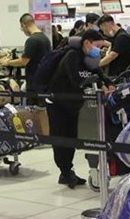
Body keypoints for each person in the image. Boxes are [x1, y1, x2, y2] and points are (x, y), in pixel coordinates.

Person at [47, 29, 112, 188]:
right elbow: (76, 79)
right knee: (60, 138)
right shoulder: (72, 56)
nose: (100, 51)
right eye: (98, 46)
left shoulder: (89, 58)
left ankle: (68, 172)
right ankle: (65, 172)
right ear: (87, 43)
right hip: (58, 103)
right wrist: (93, 81)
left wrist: (108, 83)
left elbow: (98, 72)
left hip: (73, 103)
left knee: (71, 138)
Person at [0, 13, 51, 90]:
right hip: (44, 79)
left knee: (33, 102)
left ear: (24, 25)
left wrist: (7, 62)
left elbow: (23, 61)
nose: (23, 30)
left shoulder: (32, 40)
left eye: (22, 28)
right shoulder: (45, 38)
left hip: (34, 81)